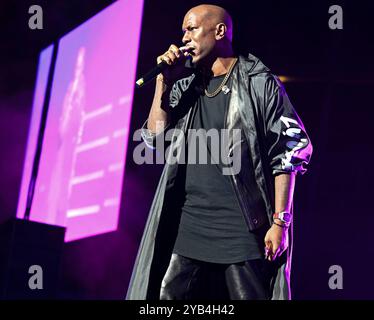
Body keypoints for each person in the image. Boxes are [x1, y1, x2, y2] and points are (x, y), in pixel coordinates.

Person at [126, 4, 312, 300]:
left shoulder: (258, 82)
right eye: (183, 30)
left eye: (192, 28)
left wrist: (280, 222)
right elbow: (155, 139)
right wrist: (163, 80)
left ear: (220, 31)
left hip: (241, 229)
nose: (184, 37)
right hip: (187, 227)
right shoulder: (185, 85)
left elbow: (289, 151)